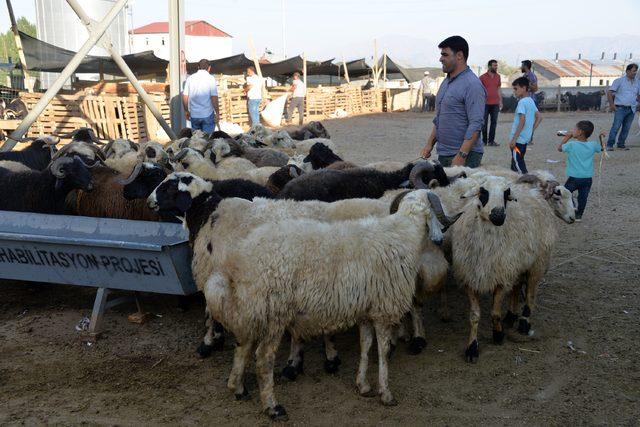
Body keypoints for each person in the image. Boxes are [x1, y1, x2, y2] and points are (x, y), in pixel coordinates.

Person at [421, 35, 486, 168]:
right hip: (444, 153)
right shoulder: (446, 82)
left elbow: (476, 124)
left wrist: (461, 156)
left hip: (464, 156)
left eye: (445, 55)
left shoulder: (472, 84)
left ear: (459, 55)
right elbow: (439, 118)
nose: (440, 59)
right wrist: (429, 145)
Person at [557, 121, 606, 221]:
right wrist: (601, 138)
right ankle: (579, 215)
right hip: (587, 178)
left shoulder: (572, 145)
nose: (572, 131)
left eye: (574, 129)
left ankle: (572, 206)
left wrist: (566, 137)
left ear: (579, 132)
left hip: (574, 178)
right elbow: (601, 148)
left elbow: (559, 149)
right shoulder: (592, 145)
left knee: (565, 193)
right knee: (583, 198)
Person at [508, 77, 542, 174]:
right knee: (516, 163)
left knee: (519, 165)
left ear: (523, 88)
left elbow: (522, 121)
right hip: (524, 140)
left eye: (516, 89)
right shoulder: (530, 100)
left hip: (518, 141)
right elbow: (539, 117)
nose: (514, 92)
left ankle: (527, 182)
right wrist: (530, 131)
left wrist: (514, 139)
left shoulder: (522, 102)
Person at [606, 63, 639, 151]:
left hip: (632, 109)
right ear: (627, 71)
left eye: (636, 71)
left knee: (626, 128)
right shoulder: (619, 81)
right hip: (620, 108)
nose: (635, 73)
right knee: (616, 126)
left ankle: (621, 144)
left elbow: (638, 95)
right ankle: (609, 145)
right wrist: (611, 105)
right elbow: (609, 93)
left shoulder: (638, 82)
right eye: (633, 71)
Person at [182, 59, 219, 134]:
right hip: (207, 114)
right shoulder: (210, 78)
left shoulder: (190, 78)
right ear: (209, 68)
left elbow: (185, 96)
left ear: (198, 67)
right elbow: (213, 97)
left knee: (196, 141)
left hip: (194, 115)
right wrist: (217, 112)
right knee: (207, 140)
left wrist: (186, 111)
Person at [479, 59, 502, 146]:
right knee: (484, 123)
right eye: (494, 65)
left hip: (495, 103)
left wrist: (500, 101)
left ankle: (491, 141)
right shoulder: (482, 77)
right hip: (485, 104)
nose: (496, 67)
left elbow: (499, 89)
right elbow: (478, 90)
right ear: (489, 66)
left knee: (494, 123)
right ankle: (484, 141)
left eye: (496, 65)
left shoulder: (498, 77)